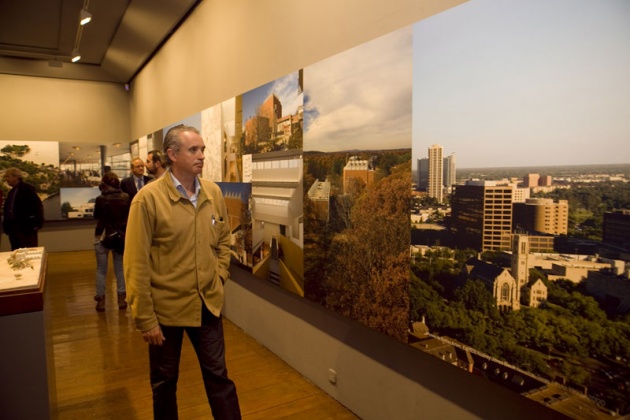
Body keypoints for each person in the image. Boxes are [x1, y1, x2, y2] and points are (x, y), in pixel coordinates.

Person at [124, 125, 241, 419]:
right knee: (164, 384)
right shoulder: (147, 200)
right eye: (194, 150)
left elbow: (224, 240)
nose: (202, 155)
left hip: (207, 306)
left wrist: (221, 275)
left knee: (220, 380)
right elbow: (135, 263)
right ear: (173, 155)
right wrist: (145, 319)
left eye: (203, 149)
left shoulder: (213, 192)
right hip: (165, 313)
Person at [93, 172, 130, 312]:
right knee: (120, 269)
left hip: (103, 236)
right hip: (120, 236)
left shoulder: (100, 198)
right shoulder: (126, 197)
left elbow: (97, 216)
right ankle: (121, 298)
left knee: (101, 270)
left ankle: (101, 300)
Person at [2, 167, 44, 250]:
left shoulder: (27, 189)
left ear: (16, 177)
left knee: (29, 251)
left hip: (26, 228)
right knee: (16, 251)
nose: (6, 179)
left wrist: (37, 223)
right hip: (14, 229)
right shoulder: (12, 192)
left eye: (8, 176)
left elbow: (37, 206)